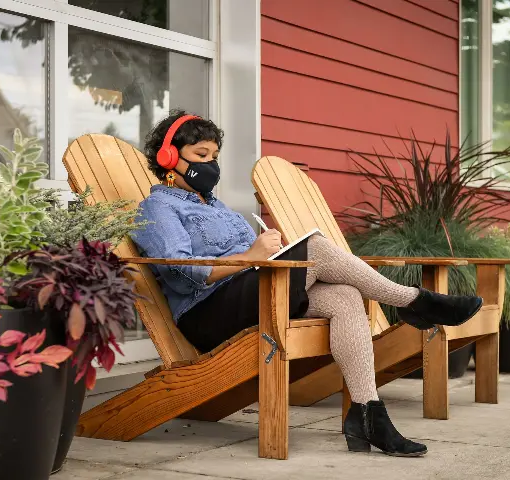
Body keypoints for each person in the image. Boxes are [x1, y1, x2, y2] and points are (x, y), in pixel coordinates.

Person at [130, 110, 483, 458]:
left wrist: (269, 253)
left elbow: (251, 262)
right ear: (169, 157)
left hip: (252, 291)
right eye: (201, 156)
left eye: (215, 156)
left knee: (344, 295)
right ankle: (412, 301)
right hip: (207, 311)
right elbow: (183, 269)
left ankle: (367, 415)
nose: (211, 165)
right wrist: (253, 254)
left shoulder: (219, 207)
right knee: (314, 246)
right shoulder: (157, 208)